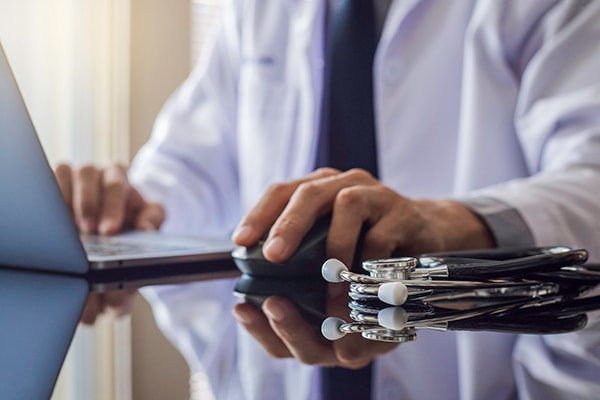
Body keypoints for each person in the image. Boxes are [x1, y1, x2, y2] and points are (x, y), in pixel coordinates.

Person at [58, 0, 600, 399]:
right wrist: (128, 208)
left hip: (511, 354)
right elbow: (186, 171)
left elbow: (591, 178)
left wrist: (451, 223)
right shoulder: (257, 10)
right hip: (279, 348)